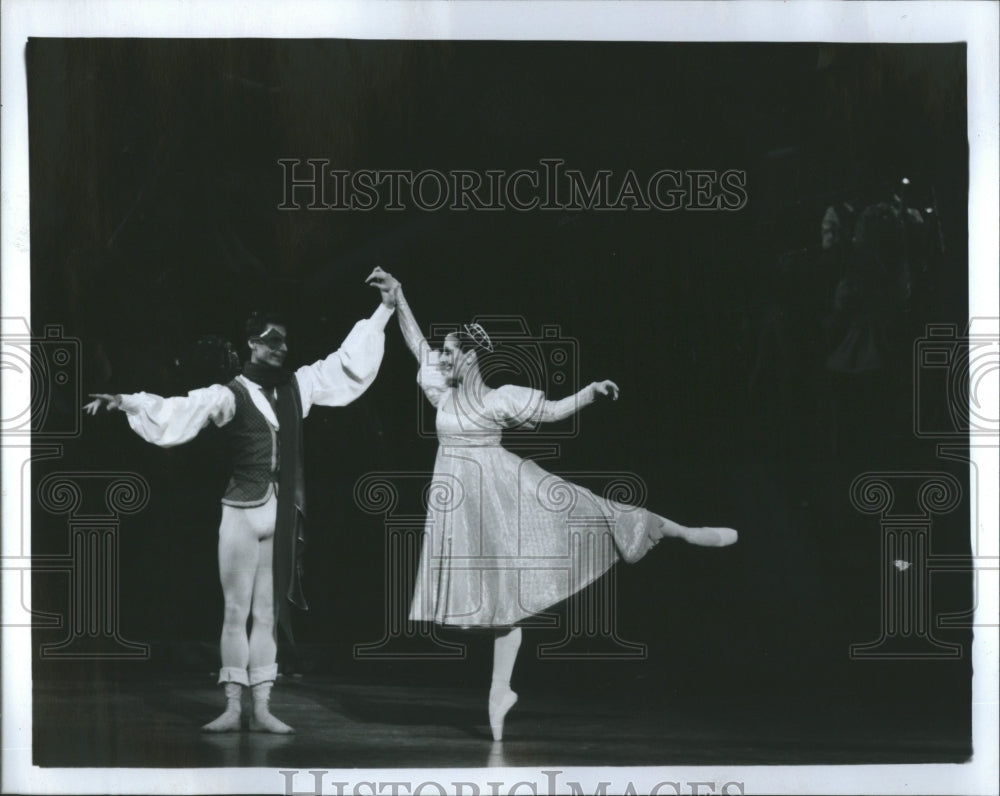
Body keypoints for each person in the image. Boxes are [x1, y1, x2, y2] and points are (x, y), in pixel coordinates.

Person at [365, 267, 737, 742]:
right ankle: (501, 692)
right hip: (466, 508)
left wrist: (591, 391)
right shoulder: (443, 395)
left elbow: (554, 410)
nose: (443, 359)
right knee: (499, 606)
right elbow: (417, 345)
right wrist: (399, 298)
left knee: (591, 512)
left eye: (453, 353)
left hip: (505, 495)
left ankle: (680, 530)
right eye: (445, 353)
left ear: (472, 358)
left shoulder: (499, 400)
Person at [84, 279, 397, 733]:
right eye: (272, 340)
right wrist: (124, 401)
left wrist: (385, 310)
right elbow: (178, 409)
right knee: (235, 609)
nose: (281, 347)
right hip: (241, 512)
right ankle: (233, 705)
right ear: (252, 343)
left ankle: (264, 706)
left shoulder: (297, 387)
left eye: (285, 340)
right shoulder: (229, 393)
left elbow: (343, 366)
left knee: (268, 613)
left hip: (281, 512)